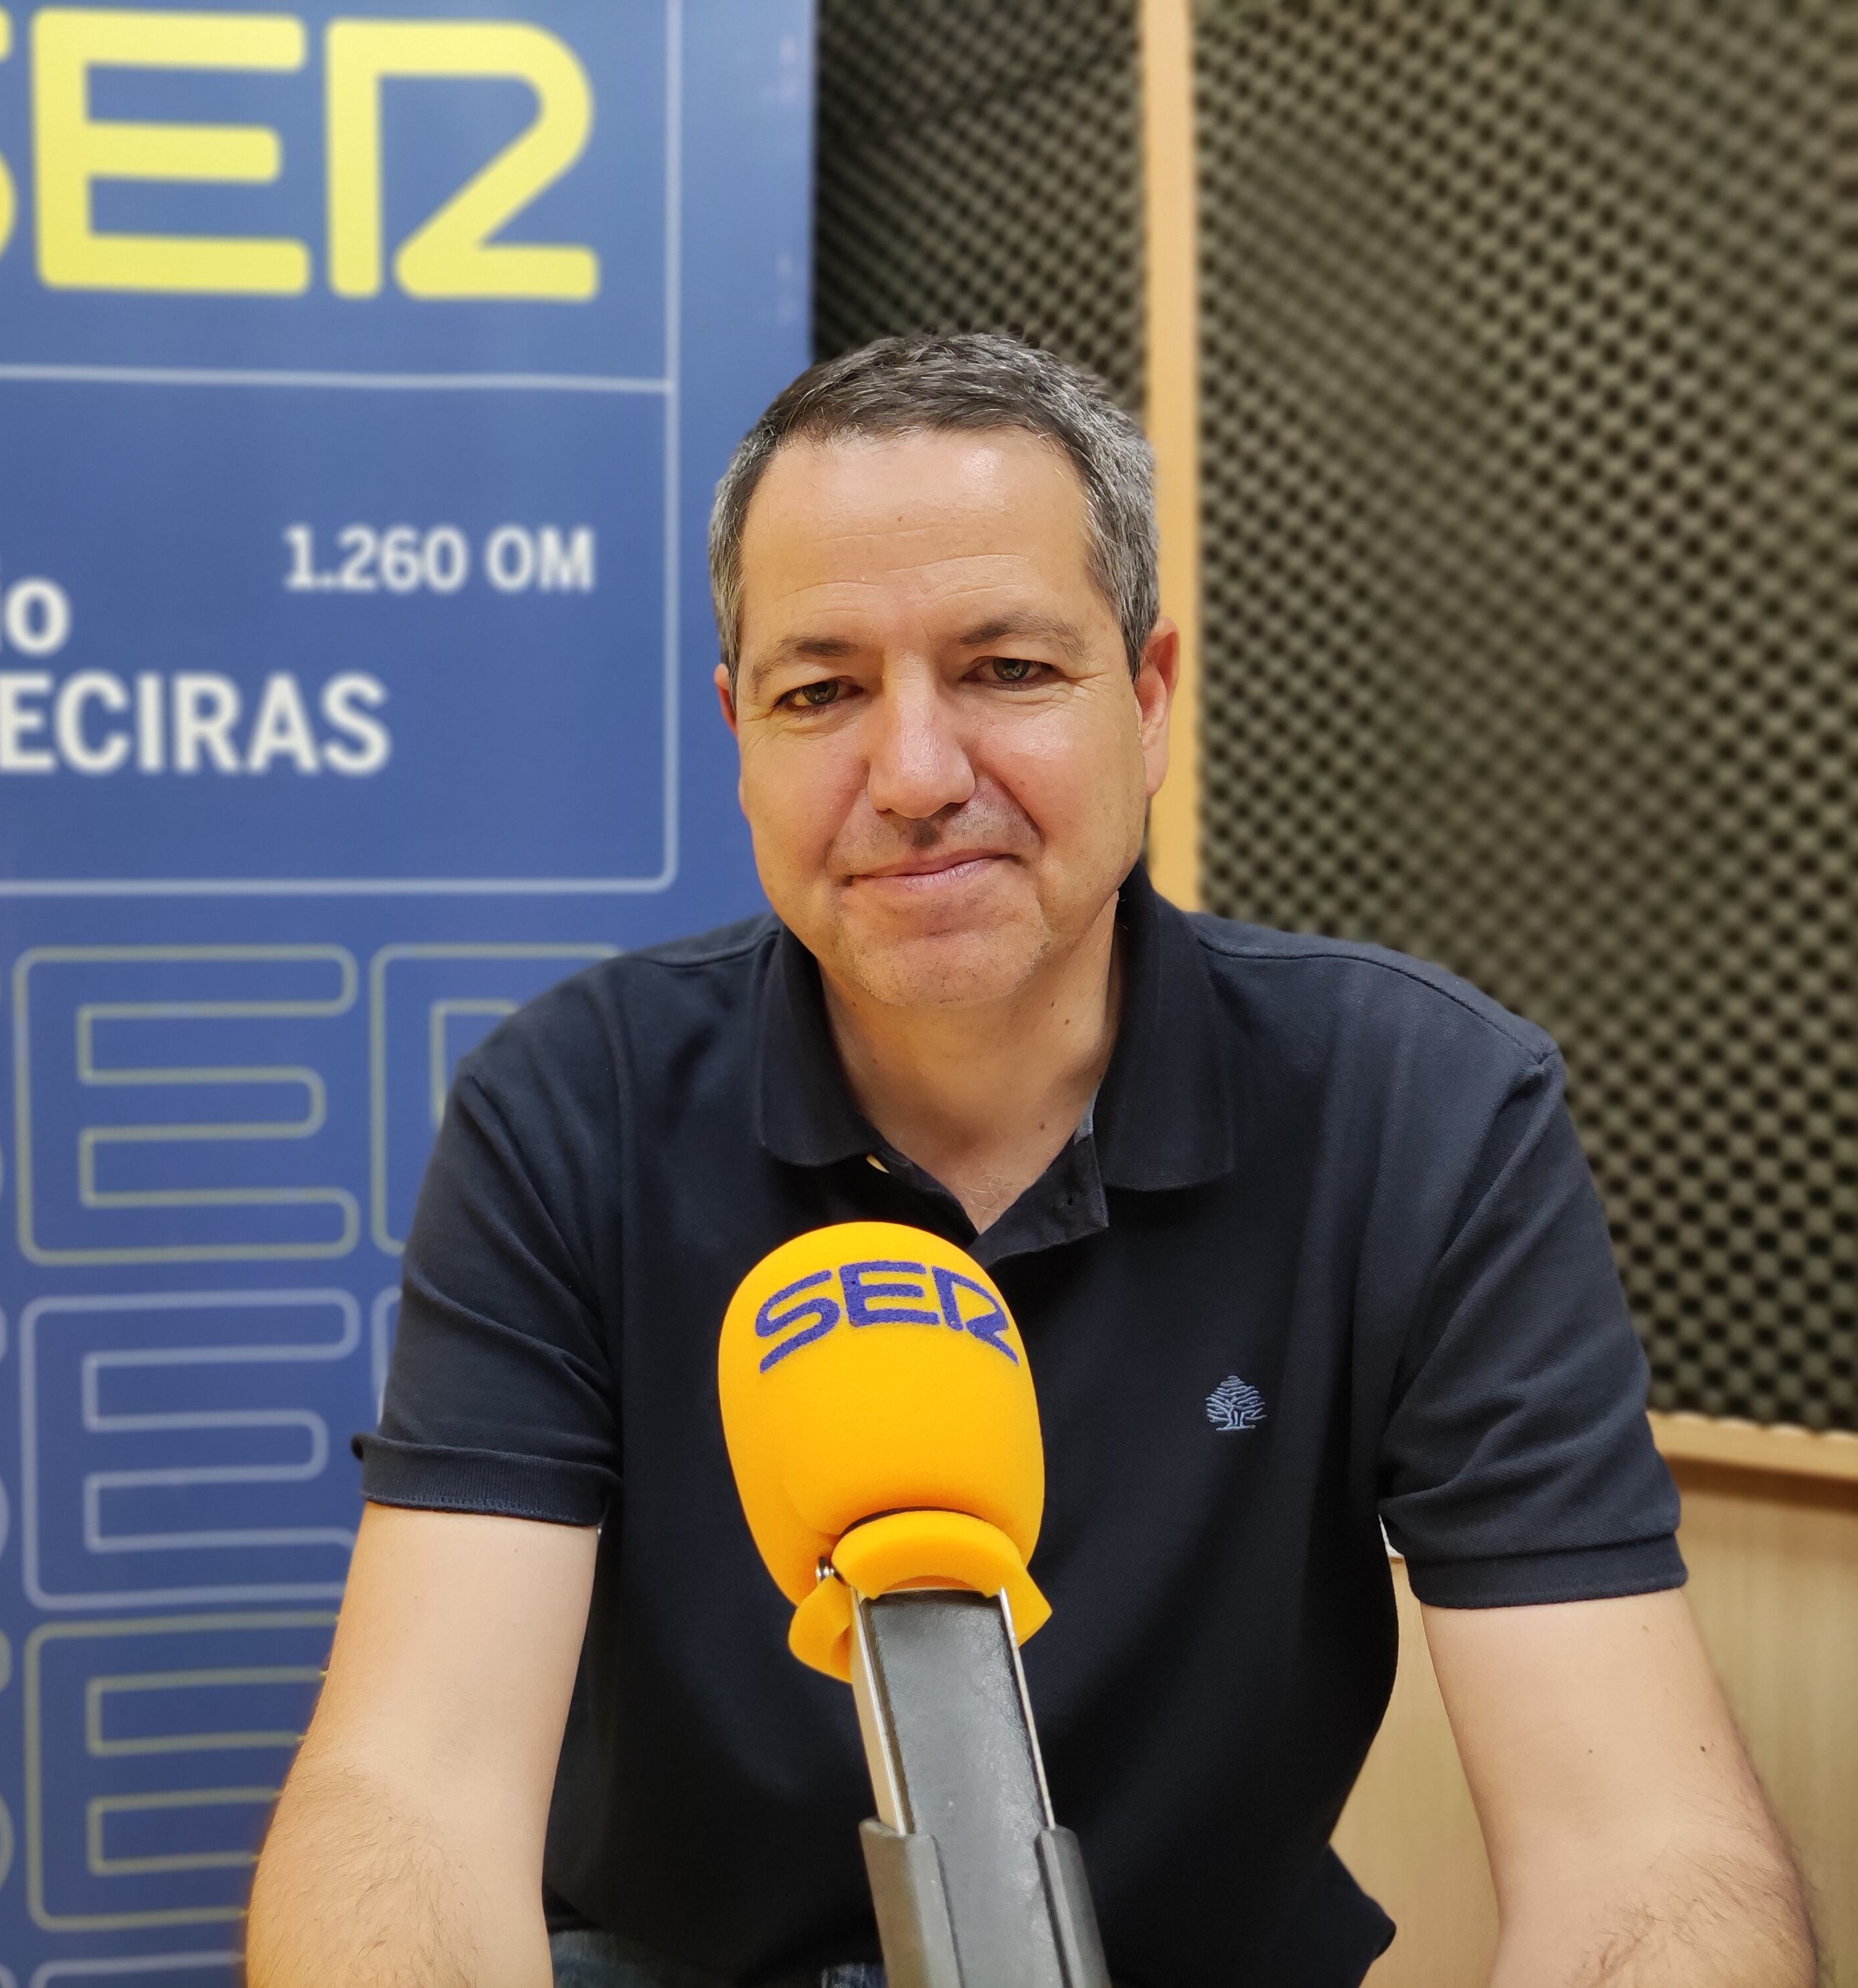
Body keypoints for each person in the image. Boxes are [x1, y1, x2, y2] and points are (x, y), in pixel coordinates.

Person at [244, 334, 1815, 1987]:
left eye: (1004, 670)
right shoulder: (569, 1106)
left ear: (1144, 701)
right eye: (820, 690)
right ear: (738, 733)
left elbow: (1639, 1845)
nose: (913, 777)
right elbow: (408, 1790)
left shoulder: (1418, 1111)